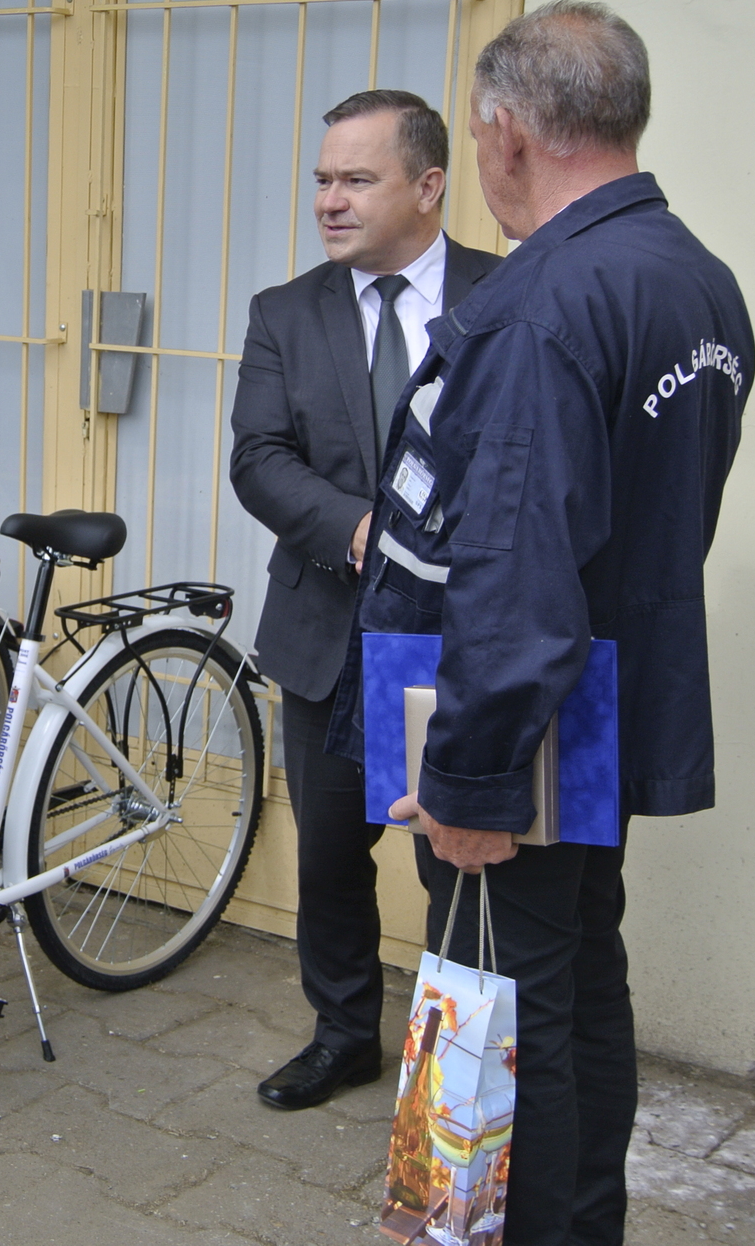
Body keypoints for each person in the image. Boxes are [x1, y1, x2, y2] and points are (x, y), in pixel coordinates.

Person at [340, 0, 755, 1244]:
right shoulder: (697, 281)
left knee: (515, 1014)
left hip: (522, 738)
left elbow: (515, 568)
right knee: (575, 982)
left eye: (476, 140)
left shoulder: (542, 304)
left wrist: (468, 782)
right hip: (598, 715)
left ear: (508, 134)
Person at [229, 89, 500, 1112]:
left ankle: (451, 1077)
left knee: (457, 867)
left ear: (428, 186)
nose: (329, 201)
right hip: (326, 631)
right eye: (322, 180)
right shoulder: (284, 312)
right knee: (333, 859)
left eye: (356, 179)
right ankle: (344, 1035)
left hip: (455, 645)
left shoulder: (505, 296)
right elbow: (259, 458)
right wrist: (360, 530)